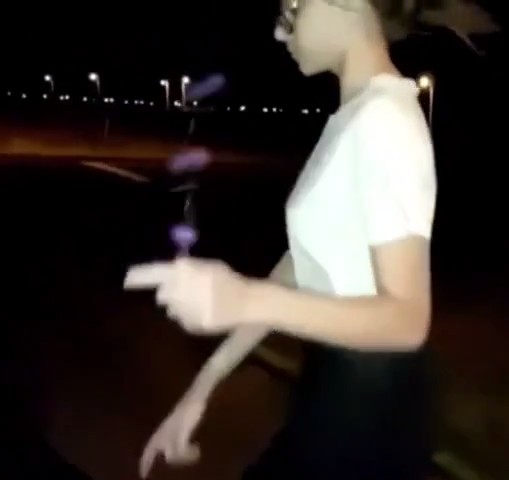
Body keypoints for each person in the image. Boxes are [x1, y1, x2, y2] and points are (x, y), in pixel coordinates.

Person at [124, 0, 437, 478]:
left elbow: (408, 320)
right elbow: (301, 266)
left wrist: (246, 298)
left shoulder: (384, 121)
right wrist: (204, 385)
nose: (279, 32)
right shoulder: (357, 116)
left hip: (369, 415)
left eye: (292, 8)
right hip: (337, 389)